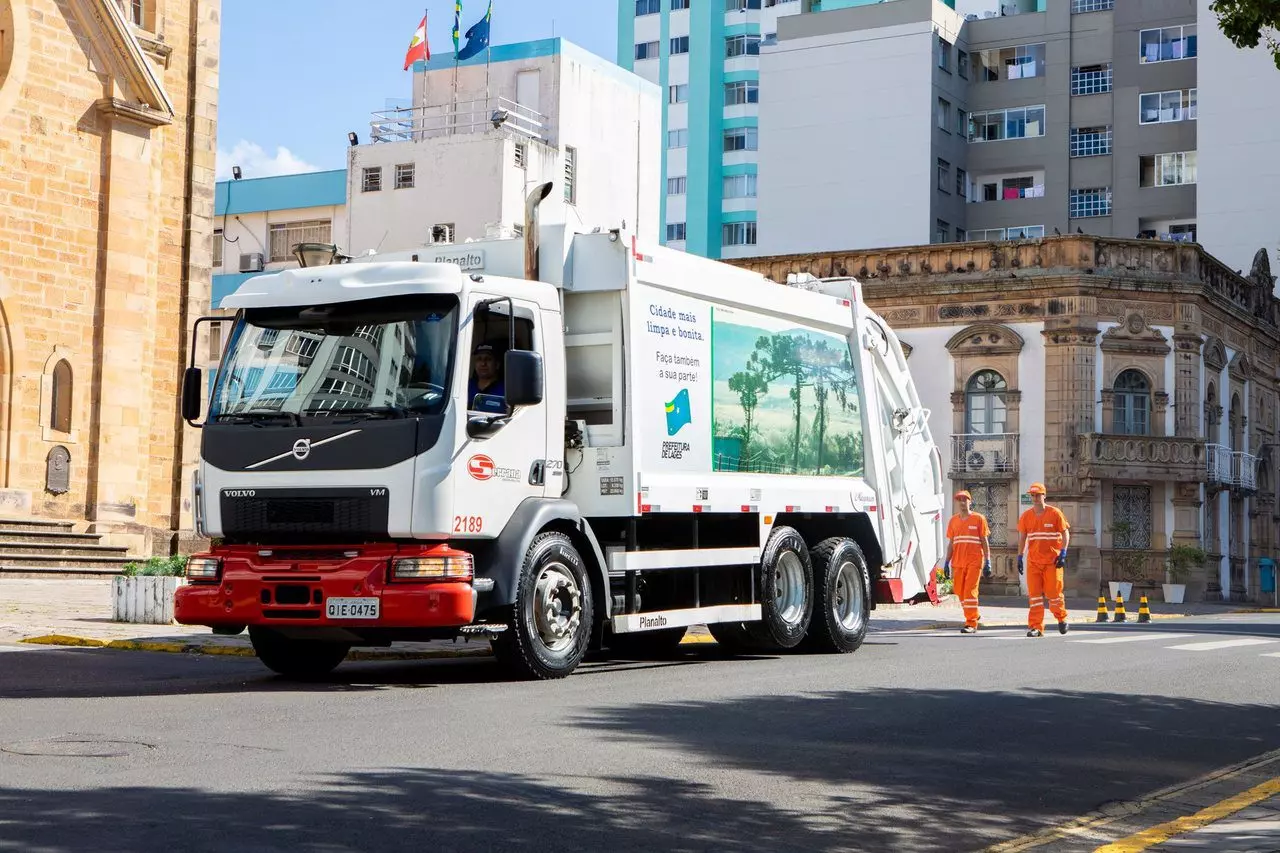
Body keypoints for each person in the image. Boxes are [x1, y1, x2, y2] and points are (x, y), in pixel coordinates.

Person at [1016, 482, 1070, 638]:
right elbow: (1022, 537)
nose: (1035, 498)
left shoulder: (1055, 513)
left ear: (1044, 495)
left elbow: (1065, 533)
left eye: (1038, 495)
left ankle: (1061, 618)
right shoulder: (1026, 516)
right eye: (1032, 495)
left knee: (1054, 594)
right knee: (1035, 596)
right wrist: (1020, 556)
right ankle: (1036, 627)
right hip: (1033, 562)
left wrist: (1063, 552)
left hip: (1053, 561)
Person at [944, 490, 992, 634]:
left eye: (965, 500)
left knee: (970, 592)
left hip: (974, 561)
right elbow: (951, 543)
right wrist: (946, 562)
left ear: (970, 502)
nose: (962, 502)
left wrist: (988, 561)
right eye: (959, 500)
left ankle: (971, 623)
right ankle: (974, 614)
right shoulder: (953, 521)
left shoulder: (979, 519)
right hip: (958, 562)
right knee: (959, 591)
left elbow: (984, 542)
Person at [467, 343, 506, 413]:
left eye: (488, 359)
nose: (483, 364)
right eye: (479, 359)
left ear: (497, 364)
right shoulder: (465, 386)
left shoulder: (507, 390)